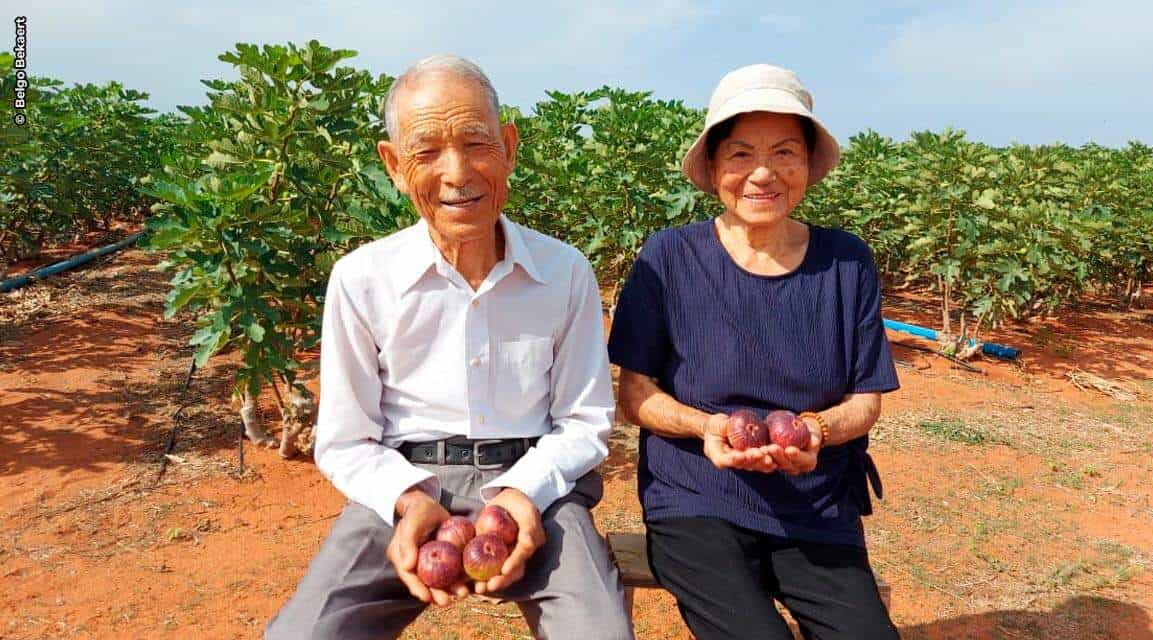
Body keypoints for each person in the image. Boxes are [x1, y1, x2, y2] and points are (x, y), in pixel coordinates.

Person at [266, 55, 634, 640]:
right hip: (405, 486)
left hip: (536, 486)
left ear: (509, 147)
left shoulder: (565, 271)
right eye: (427, 150)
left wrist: (521, 494)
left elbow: (584, 420)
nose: (457, 171)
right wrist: (409, 503)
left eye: (476, 142)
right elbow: (345, 440)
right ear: (393, 165)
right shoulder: (362, 278)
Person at [608, 63, 901, 640]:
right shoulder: (669, 258)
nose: (762, 174)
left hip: (814, 504)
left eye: (785, 153)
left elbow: (866, 397)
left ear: (808, 166)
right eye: (741, 154)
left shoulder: (845, 261)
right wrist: (706, 427)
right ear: (714, 167)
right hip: (696, 497)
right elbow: (635, 393)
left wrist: (815, 429)